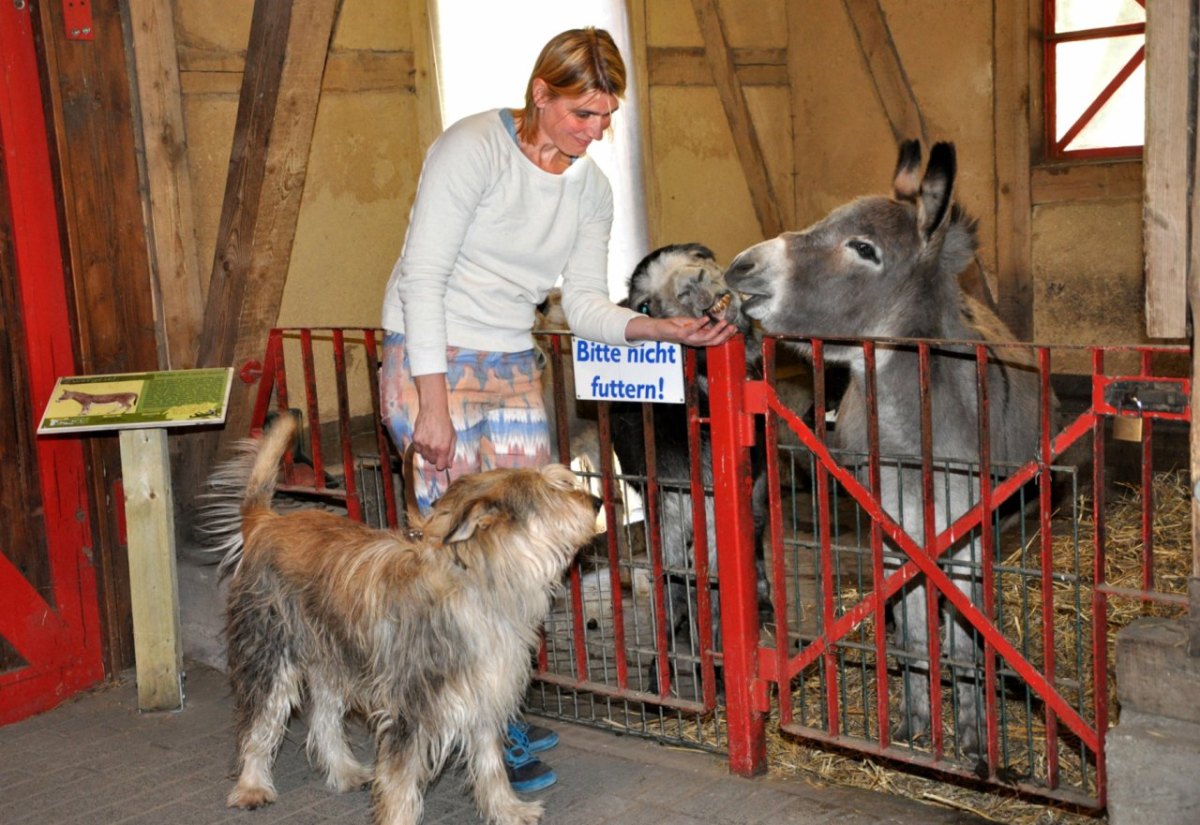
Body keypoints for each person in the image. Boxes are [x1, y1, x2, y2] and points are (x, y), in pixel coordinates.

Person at [379, 26, 735, 794]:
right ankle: (450, 722)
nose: (595, 132)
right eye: (583, 114)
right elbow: (425, 278)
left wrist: (658, 328)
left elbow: (580, 302)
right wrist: (431, 406)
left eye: (606, 117)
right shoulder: (472, 150)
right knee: (457, 555)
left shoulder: (589, 187)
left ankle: (496, 711)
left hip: (508, 355)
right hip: (427, 350)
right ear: (541, 94)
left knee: (524, 546)